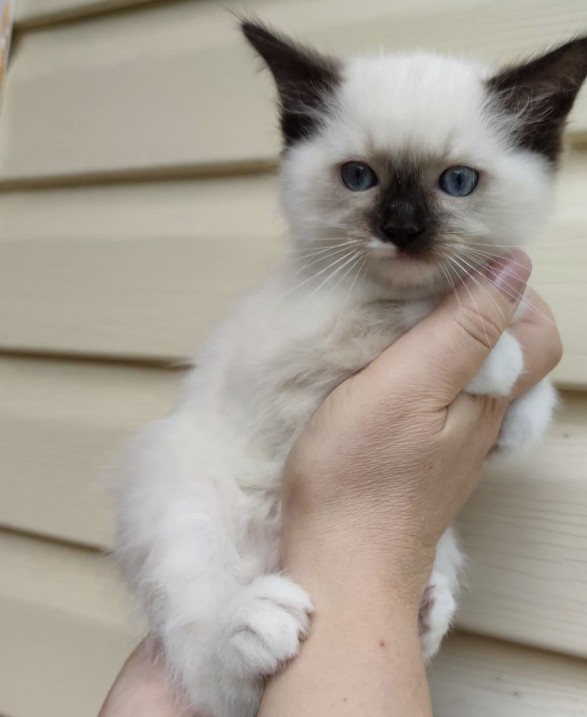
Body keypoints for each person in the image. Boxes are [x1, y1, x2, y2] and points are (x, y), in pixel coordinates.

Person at [99, 250, 561, 717]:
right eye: (359, 175)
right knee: (171, 477)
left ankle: (374, 627)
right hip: (239, 499)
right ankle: (219, 673)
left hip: (331, 560)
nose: (404, 225)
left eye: (458, 182)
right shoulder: (312, 288)